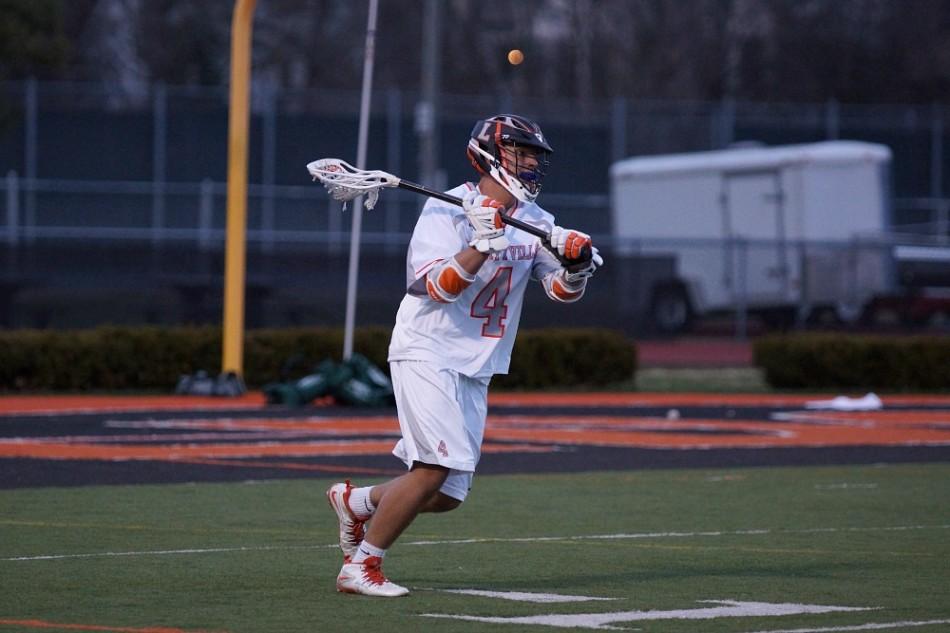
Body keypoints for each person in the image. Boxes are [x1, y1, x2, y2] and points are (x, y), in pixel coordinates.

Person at [326, 114, 603, 597]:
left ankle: (359, 503)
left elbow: (558, 290)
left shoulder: (535, 221)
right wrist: (480, 243)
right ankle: (361, 566)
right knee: (433, 467)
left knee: (447, 495)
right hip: (427, 349)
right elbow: (431, 286)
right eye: (523, 151)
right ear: (491, 155)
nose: (534, 162)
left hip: (476, 365)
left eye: (536, 154)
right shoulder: (446, 212)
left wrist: (576, 268)